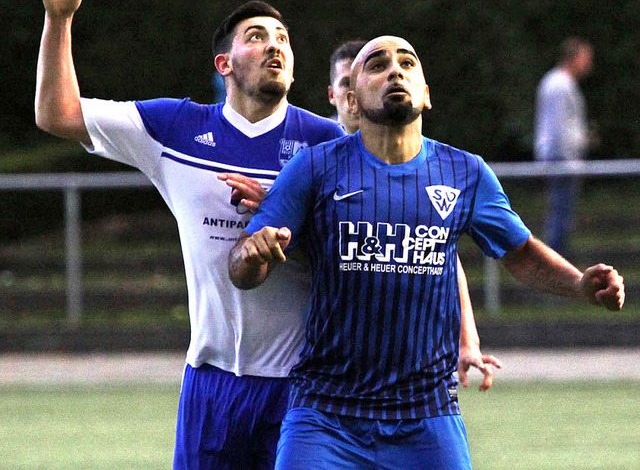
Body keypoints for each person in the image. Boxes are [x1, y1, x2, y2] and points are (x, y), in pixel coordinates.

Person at [229, 35, 625, 469]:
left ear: (427, 95)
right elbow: (241, 269)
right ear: (352, 100)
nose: (395, 70)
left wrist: (580, 285)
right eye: (377, 65)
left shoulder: (466, 173)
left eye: (407, 63)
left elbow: (522, 254)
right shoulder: (314, 167)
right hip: (325, 415)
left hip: (427, 415)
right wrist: (253, 256)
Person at [33, 0, 345, 469]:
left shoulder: (328, 144)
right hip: (212, 385)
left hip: (305, 389)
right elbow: (56, 113)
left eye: (283, 39)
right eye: (256, 36)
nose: (274, 45)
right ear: (224, 65)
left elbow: (372, 233)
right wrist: (59, 19)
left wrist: (287, 204)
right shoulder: (175, 128)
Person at [328, 39, 501, 391]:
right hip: (327, 363)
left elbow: (440, 252)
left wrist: (467, 339)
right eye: (346, 83)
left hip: (409, 371)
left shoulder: (415, 160)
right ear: (338, 96)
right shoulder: (316, 160)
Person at [534, 37, 595, 256]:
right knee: (560, 214)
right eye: (586, 58)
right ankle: (555, 263)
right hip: (560, 159)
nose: (589, 63)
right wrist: (571, 160)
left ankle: (555, 261)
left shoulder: (558, 82)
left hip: (560, 157)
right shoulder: (560, 85)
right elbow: (559, 129)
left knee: (560, 212)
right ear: (575, 58)